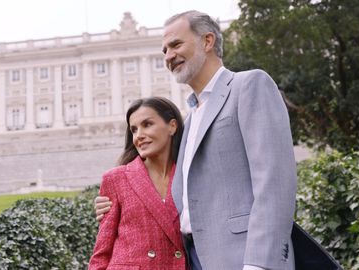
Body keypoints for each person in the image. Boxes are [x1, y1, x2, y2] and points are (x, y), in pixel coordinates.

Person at [95, 10, 297, 270]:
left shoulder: (248, 85)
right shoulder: (189, 121)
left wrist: (259, 265)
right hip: (194, 260)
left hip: (245, 260)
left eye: (176, 44)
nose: (168, 56)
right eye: (165, 50)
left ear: (208, 41)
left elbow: (275, 183)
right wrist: (112, 202)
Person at [88, 97, 187, 270]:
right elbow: (102, 251)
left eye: (147, 124)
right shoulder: (116, 179)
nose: (139, 135)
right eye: (134, 129)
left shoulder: (191, 175)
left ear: (172, 126)